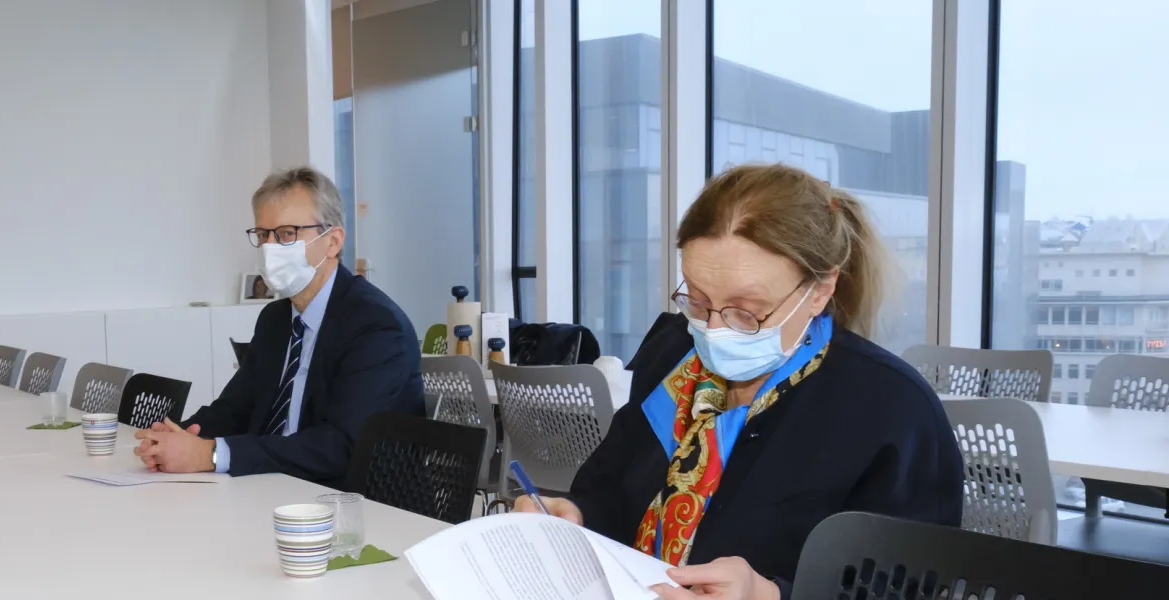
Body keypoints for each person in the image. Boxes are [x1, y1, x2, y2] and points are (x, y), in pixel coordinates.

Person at [515, 164, 963, 599]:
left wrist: (772, 596)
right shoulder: (671, 356)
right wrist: (575, 514)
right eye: (698, 299)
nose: (714, 329)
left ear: (820, 290)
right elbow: (611, 487)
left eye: (747, 311)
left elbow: (909, 584)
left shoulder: (891, 409)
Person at [134, 166, 423, 485]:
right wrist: (178, 437)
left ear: (333, 241)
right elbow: (233, 409)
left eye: (287, 233)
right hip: (271, 488)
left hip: (356, 506)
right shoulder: (275, 319)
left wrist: (212, 454)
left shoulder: (375, 326)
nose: (271, 247)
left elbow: (341, 446)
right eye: (263, 235)